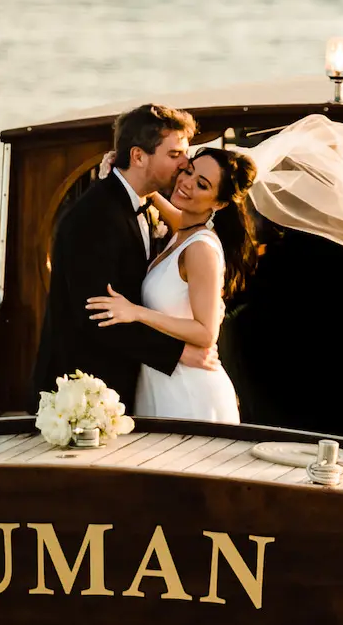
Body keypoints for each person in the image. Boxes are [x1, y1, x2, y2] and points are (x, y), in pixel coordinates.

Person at [30, 103, 194, 405]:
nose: (185, 163)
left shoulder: (143, 204)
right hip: (84, 395)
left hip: (129, 384)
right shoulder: (95, 217)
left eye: (185, 153)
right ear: (138, 156)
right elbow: (96, 314)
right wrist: (179, 353)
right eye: (174, 155)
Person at [88, 145, 258, 422]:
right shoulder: (185, 230)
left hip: (190, 393)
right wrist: (136, 179)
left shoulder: (201, 249)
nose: (187, 184)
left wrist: (137, 312)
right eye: (188, 171)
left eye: (201, 184)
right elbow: (174, 215)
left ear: (219, 203)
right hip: (162, 381)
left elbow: (206, 333)